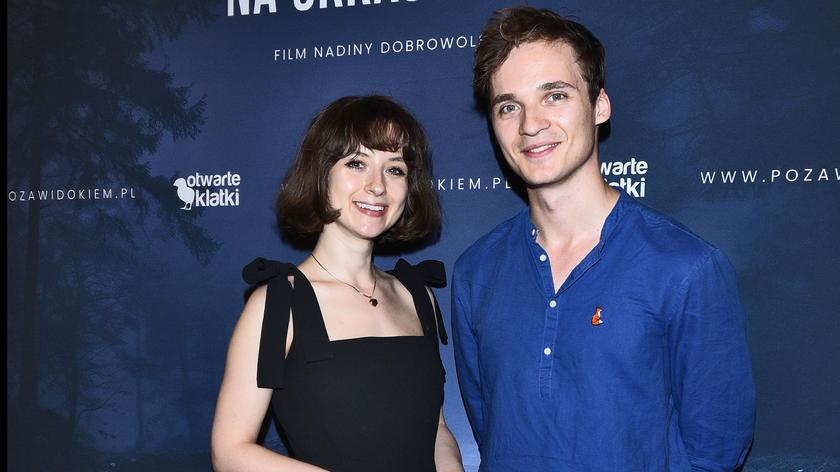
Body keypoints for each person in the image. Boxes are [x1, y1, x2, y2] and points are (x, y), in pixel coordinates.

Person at [451, 7, 755, 471]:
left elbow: (714, 452)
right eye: (509, 106)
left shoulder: (685, 267)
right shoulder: (476, 271)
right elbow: (489, 427)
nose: (530, 124)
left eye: (554, 95)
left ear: (600, 106)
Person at [212, 95, 464, 472]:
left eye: (395, 169)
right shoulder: (277, 304)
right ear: (321, 173)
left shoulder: (417, 296)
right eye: (357, 163)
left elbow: (436, 430)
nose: (377, 186)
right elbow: (230, 452)